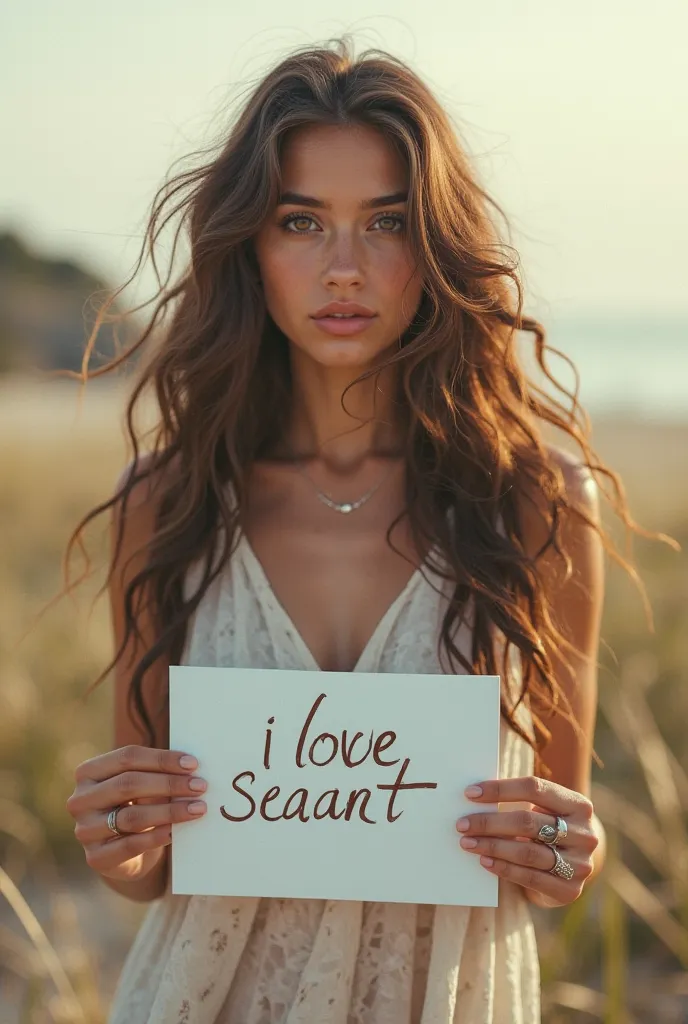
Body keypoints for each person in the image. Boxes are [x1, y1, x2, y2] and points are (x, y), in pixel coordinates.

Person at [63, 36, 655, 1024]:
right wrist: (118, 843)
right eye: (302, 221)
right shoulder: (168, 503)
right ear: (252, 242)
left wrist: (562, 851)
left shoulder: (537, 503)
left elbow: (554, 869)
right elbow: (152, 868)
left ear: (432, 246)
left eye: (385, 223)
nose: (344, 268)